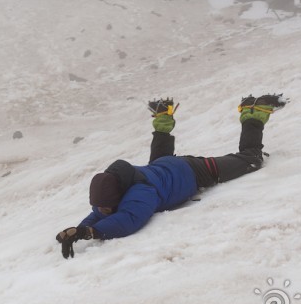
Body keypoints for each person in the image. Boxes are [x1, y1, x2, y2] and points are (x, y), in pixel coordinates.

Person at [55, 94, 288, 259]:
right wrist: (78, 230)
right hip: (161, 168)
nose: (103, 211)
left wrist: (91, 232)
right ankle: (163, 114)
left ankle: (255, 113)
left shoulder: (139, 194)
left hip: (193, 171)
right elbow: (100, 210)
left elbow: (128, 221)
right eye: (102, 207)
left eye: (106, 207)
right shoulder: (116, 183)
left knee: (250, 158)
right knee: (155, 164)